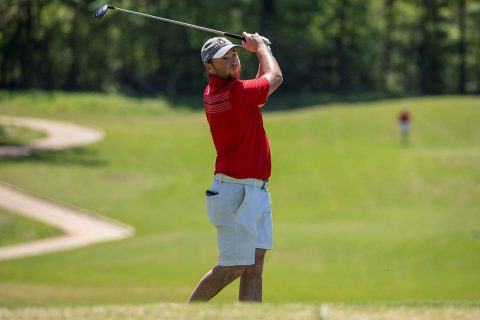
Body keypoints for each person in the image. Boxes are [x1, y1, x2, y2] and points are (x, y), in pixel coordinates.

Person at [188, 32, 283, 303]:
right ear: (209, 67)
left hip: (255, 191)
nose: (233, 61)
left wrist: (257, 53)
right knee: (232, 267)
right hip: (235, 193)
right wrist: (262, 48)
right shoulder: (231, 95)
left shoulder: (234, 93)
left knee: (254, 268)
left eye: (234, 55)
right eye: (224, 59)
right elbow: (274, 78)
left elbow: (261, 92)